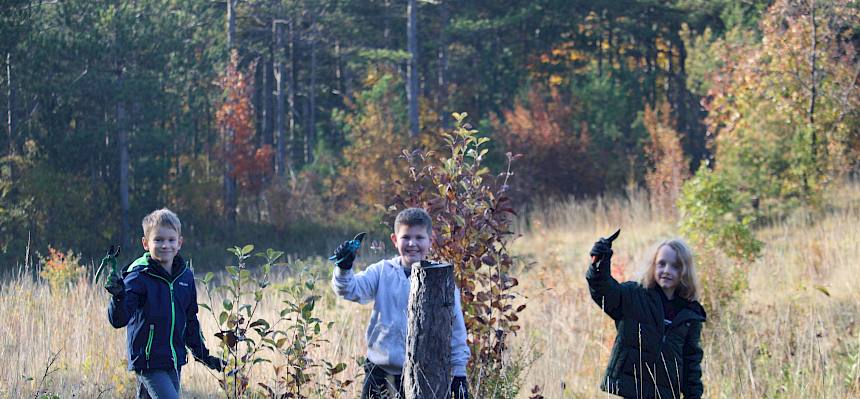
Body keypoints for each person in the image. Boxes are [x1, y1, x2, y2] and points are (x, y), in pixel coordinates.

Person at [331, 207, 471, 399]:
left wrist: (459, 376)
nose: (412, 243)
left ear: (431, 240)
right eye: (406, 237)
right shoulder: (381, 272)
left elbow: (456, 331)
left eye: (419, 237)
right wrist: (344, 267)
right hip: (380, 373)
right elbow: (349, 289)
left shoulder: (441, 280)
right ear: (395, 240)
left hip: (425, 377)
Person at [105, 208, 223, 399]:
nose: (165, 245)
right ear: (146, 243)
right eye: (158, 240)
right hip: (148, 362)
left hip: (174, 360)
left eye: (170, 240)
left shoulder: (185, 277)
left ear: (179, 243)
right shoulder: (138, 277)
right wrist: (118, 296)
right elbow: (119, 319)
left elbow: (190, 320)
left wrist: (203, 355)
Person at [586, 236, 706, 399]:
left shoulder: (690, 314)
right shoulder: (634, 295)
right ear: (653, 265)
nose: (666, 271)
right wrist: (599, 264)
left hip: (665, 394)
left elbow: (691, 363)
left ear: (684, 271)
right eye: (662, 263)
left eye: (675, 266)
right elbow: (604, 291)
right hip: (631, 391)